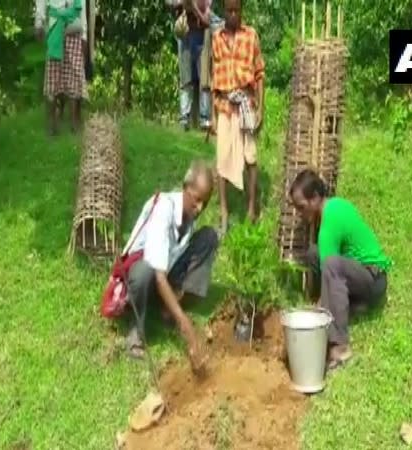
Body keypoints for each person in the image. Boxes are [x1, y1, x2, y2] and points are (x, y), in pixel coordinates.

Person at [289, 169, 392, 370]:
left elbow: (330, 270)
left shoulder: (330, 222)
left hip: (373, 279)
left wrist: (316, 318)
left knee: (331, 265)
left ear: (316, 197)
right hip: (362, 275)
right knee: (313, 253)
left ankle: (340, 346)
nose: (300, 214)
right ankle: (354, 306)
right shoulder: (335, 206)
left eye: (301, 207)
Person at [123, 160, 218, 371]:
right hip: (145, 275)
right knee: (144, 271)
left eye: (206, 202)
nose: (200, 207)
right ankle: (135, 331)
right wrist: (188, 328)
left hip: (166, 267)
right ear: (185, 189)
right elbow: (157, 274)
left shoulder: (189, 215)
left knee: (209, 237)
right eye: (196, 199)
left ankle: (169, 308)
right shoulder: (164, 208)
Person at [211, 0, 265, 235]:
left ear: (242, 11)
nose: (233, 15)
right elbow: (214, 76)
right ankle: (223, 213)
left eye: (237, 11)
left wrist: (261, 108)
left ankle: (252, 208)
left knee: (250, 156)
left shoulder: (251, 35)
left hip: (246, 103)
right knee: (222, 159)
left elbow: (260, 73)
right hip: (224, 105)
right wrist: (213, 116)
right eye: (229, 11)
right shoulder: (216, 37)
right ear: (224, 11)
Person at [35, 0, 88, 135]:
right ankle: (52, 125)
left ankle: (74, 123)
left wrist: (84, 35)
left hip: (74, 27)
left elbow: (81, 6)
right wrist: (39, 22)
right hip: (55, 26)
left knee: (75, 74)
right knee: (53, 76)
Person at [170, 0, 217, 131]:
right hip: (184, 34)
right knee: (185, 78)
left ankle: (204, 118)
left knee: (204, 79)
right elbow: (169, 4)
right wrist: (181, 4)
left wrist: (194, 7)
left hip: (202, 34)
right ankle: (184, 117)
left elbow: (207, 19)